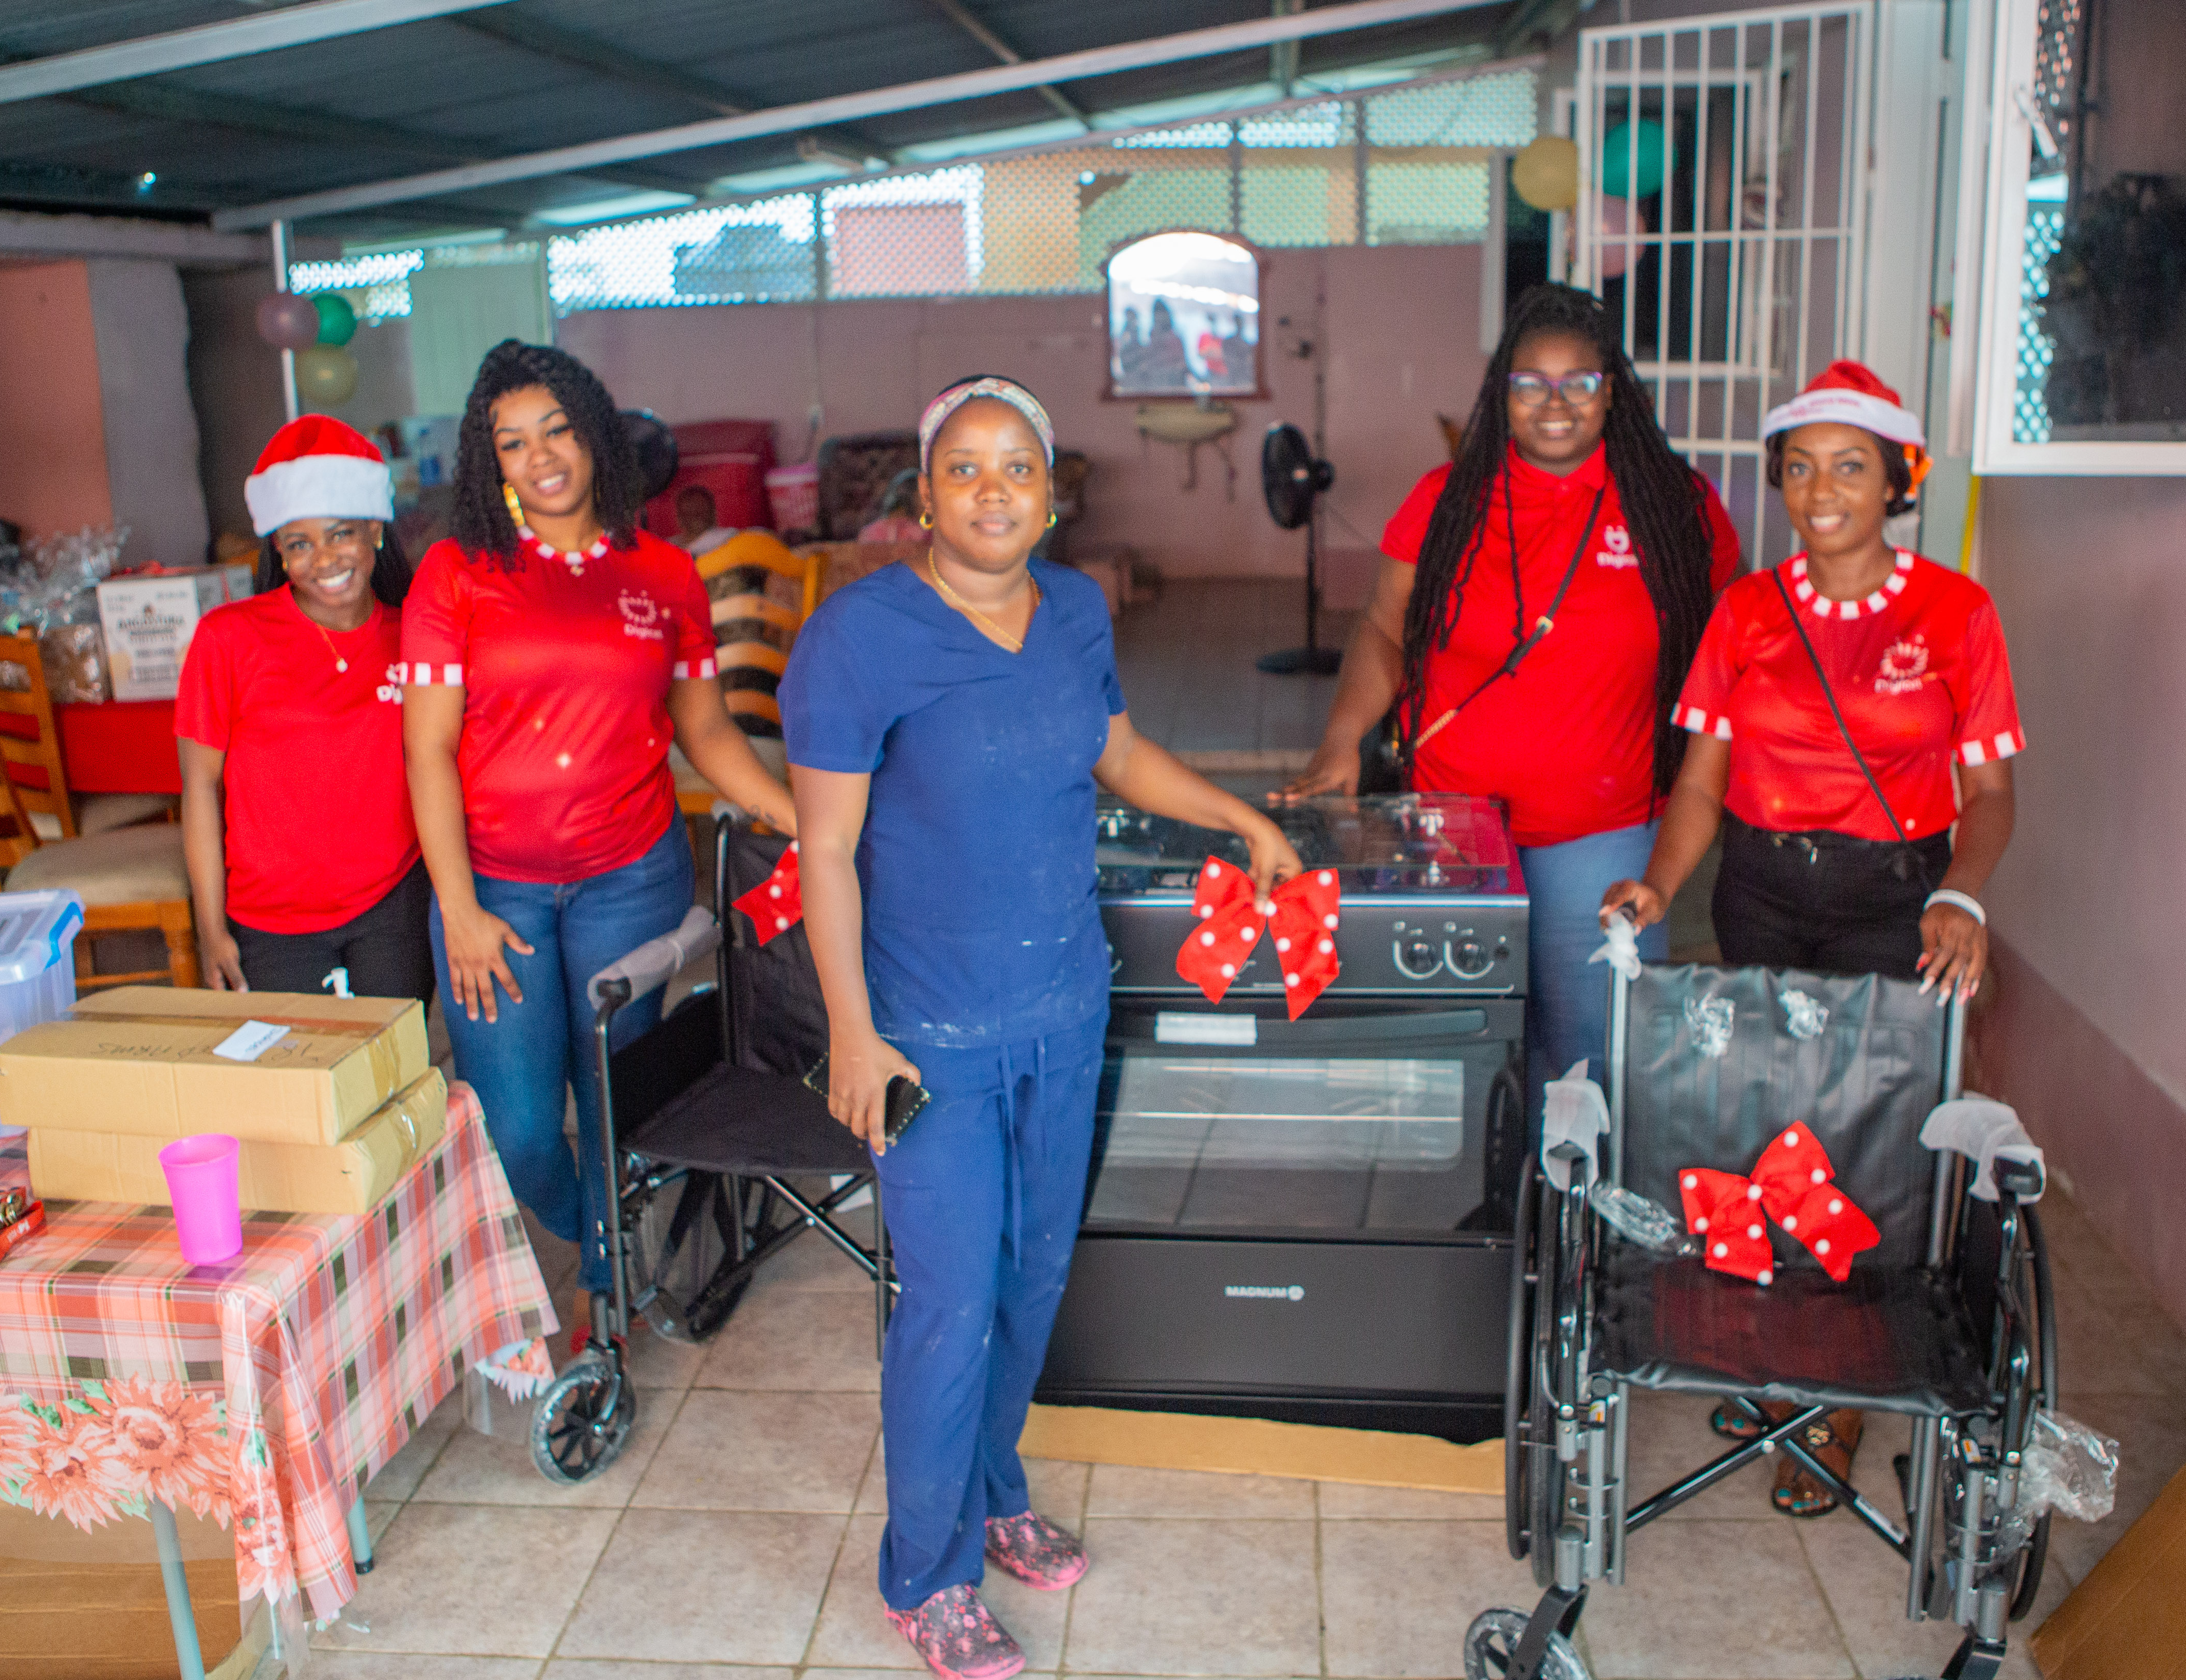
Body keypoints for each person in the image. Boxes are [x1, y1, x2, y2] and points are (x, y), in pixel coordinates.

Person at [786, 376, 1303, 1680]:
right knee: (951, 1300)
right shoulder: (855, 639)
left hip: (1063, 1007)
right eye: (962, 468)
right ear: (922, 494)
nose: (992, 490)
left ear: (1050, 489)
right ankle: (926, 1573)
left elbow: (1114, 753)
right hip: (921, 1035)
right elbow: (827, 849)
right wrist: (853, 1030)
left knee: (1031, 1282)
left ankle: (995, 1485)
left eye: (1015, 466)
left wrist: (1237, 817)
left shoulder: (1075, 609)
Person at [1599, 360, 2022, 1515]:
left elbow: (1986, 796)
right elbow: (1699, 786)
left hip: (1898, 901)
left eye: (1848, 465)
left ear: (1898, 480)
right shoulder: (1744, 610)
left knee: (1872, 1135)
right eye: (1798, 466)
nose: (1819, 487)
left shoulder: (1954, 613)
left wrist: (1963, 897)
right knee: (1773, 1122)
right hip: (1760, 890)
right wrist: (1653, 887)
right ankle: (1775, 1353)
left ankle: (1835, 1399)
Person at [401, 339, 797, 1300]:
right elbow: (425, 751)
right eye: (511, 442)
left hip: (631, 878)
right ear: (488, 462)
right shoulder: (456, 573)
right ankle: (599, 1232)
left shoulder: (663, 573)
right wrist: (456, 908)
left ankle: (612, 1294)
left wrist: (794, 818)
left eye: (557, 429)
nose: (540, 457)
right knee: (523, 1128)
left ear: (594, 437)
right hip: (494, 890)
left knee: (616, 1101)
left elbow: (703, 726)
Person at [1286, 284, 1742, 1090]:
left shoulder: (1677, 508)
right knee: (1470, 1043)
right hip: (1453, 826)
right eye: (1530, 382)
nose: (1554, 402)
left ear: (1613, 392)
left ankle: (1582, 1211)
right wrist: (1339, 741)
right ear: (1501, 395)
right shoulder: (1444, 501)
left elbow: (1718, 656)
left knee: (1595, 1053)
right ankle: (1495, 1210)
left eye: (1579, 381)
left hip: (1603, 828)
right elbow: (1385, 630)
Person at [176, 417, 432, 1004]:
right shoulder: (228, 638)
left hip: (392, 901)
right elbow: (200, 786)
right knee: (299, 1083)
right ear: (280, 554)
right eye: (299, 544)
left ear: (375, 530)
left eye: (341, 534)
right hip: (270, 919)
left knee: (392, 1072)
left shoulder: (416, 632)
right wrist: (211, 929)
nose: (324, 558)